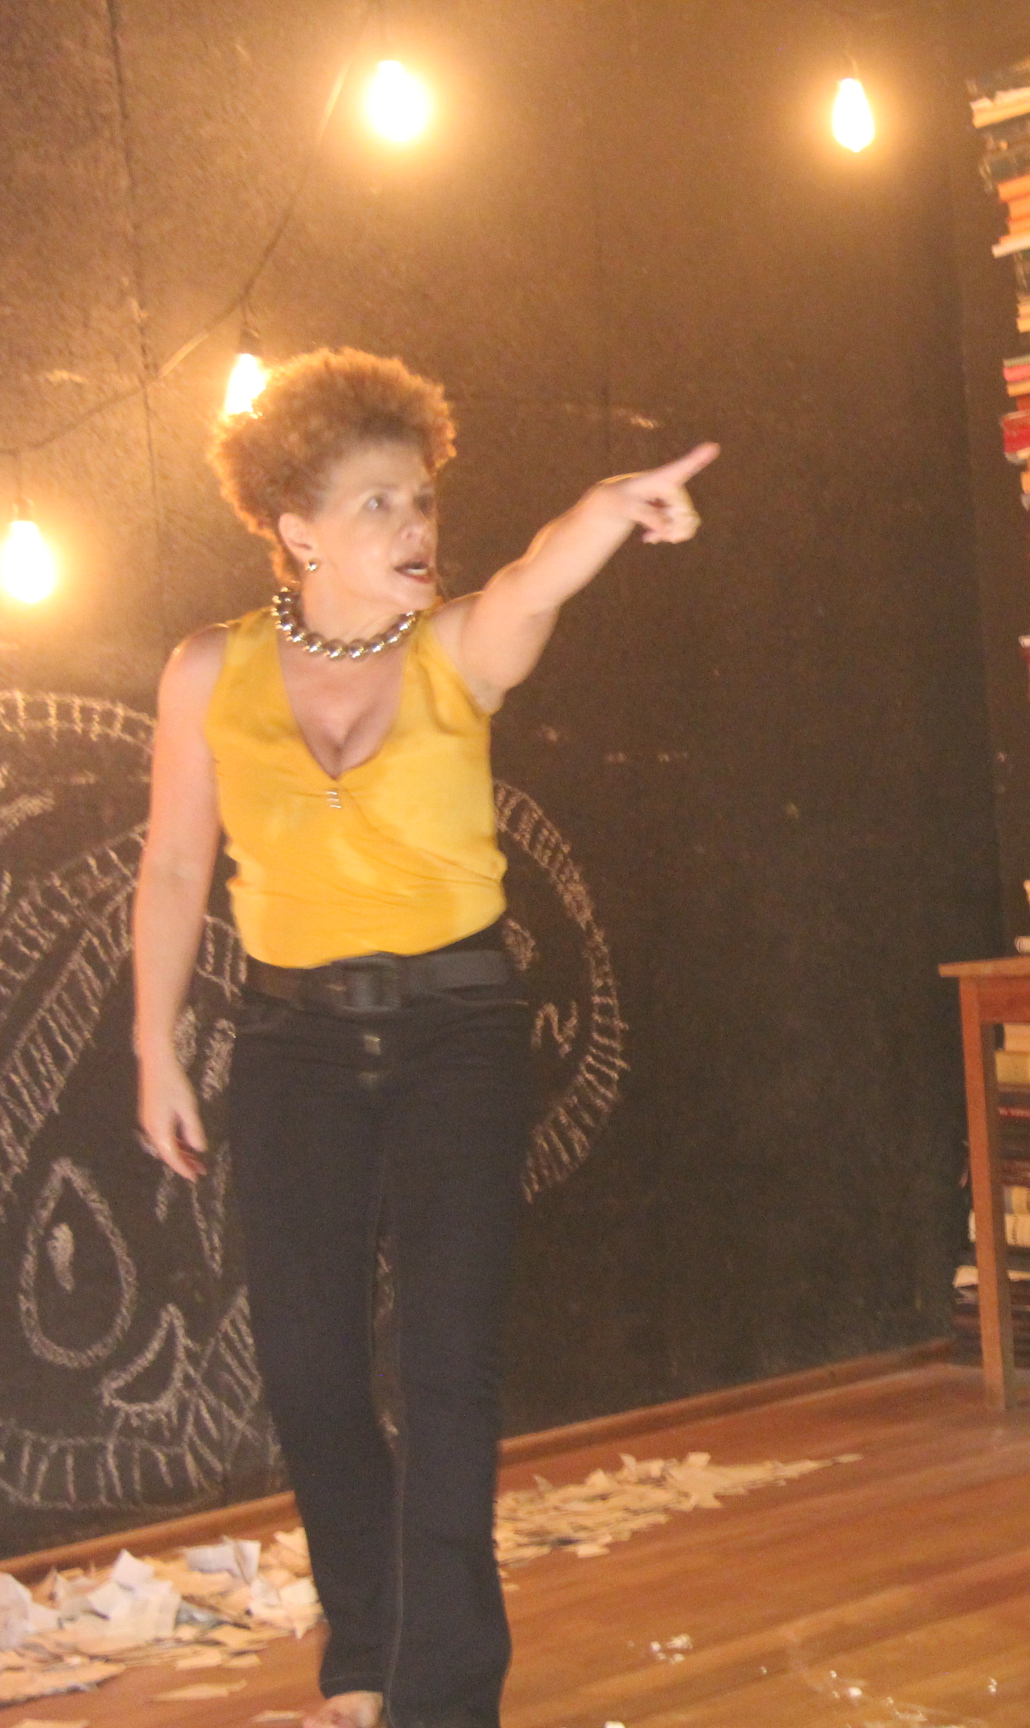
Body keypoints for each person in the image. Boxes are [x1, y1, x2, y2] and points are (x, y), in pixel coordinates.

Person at [132, 348, 714, 1728]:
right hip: (292, 1047)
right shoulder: (209, 670)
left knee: (450, 1370)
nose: (415, 528)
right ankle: (368, 1650)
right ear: (297, 531)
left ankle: (441, 1700)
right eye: (378, 505)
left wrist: (609, 507)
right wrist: (154, 1047)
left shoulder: (458, 650)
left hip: (458, 1033)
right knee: (309, 1367)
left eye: (421, 500)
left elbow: (532, 581)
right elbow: (174, 865)